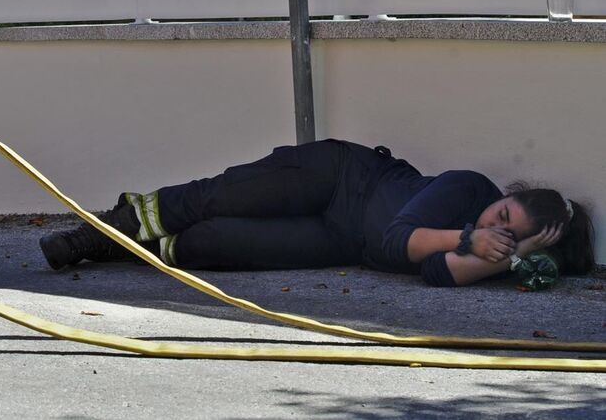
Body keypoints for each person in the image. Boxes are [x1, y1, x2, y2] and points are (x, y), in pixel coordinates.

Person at [38, 140, 596, 286]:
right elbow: (399, 238)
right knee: (216, 197)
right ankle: (100, 233)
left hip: (341, 238)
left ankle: (125, 251)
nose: (496, 228)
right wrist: (473, 237)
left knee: (213, 246)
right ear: (501, 196)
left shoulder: (485, 249)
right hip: (340, 177)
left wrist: (503, 257)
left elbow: (439, 271)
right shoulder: (467, 190)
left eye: (512, 237)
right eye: (503, 215)